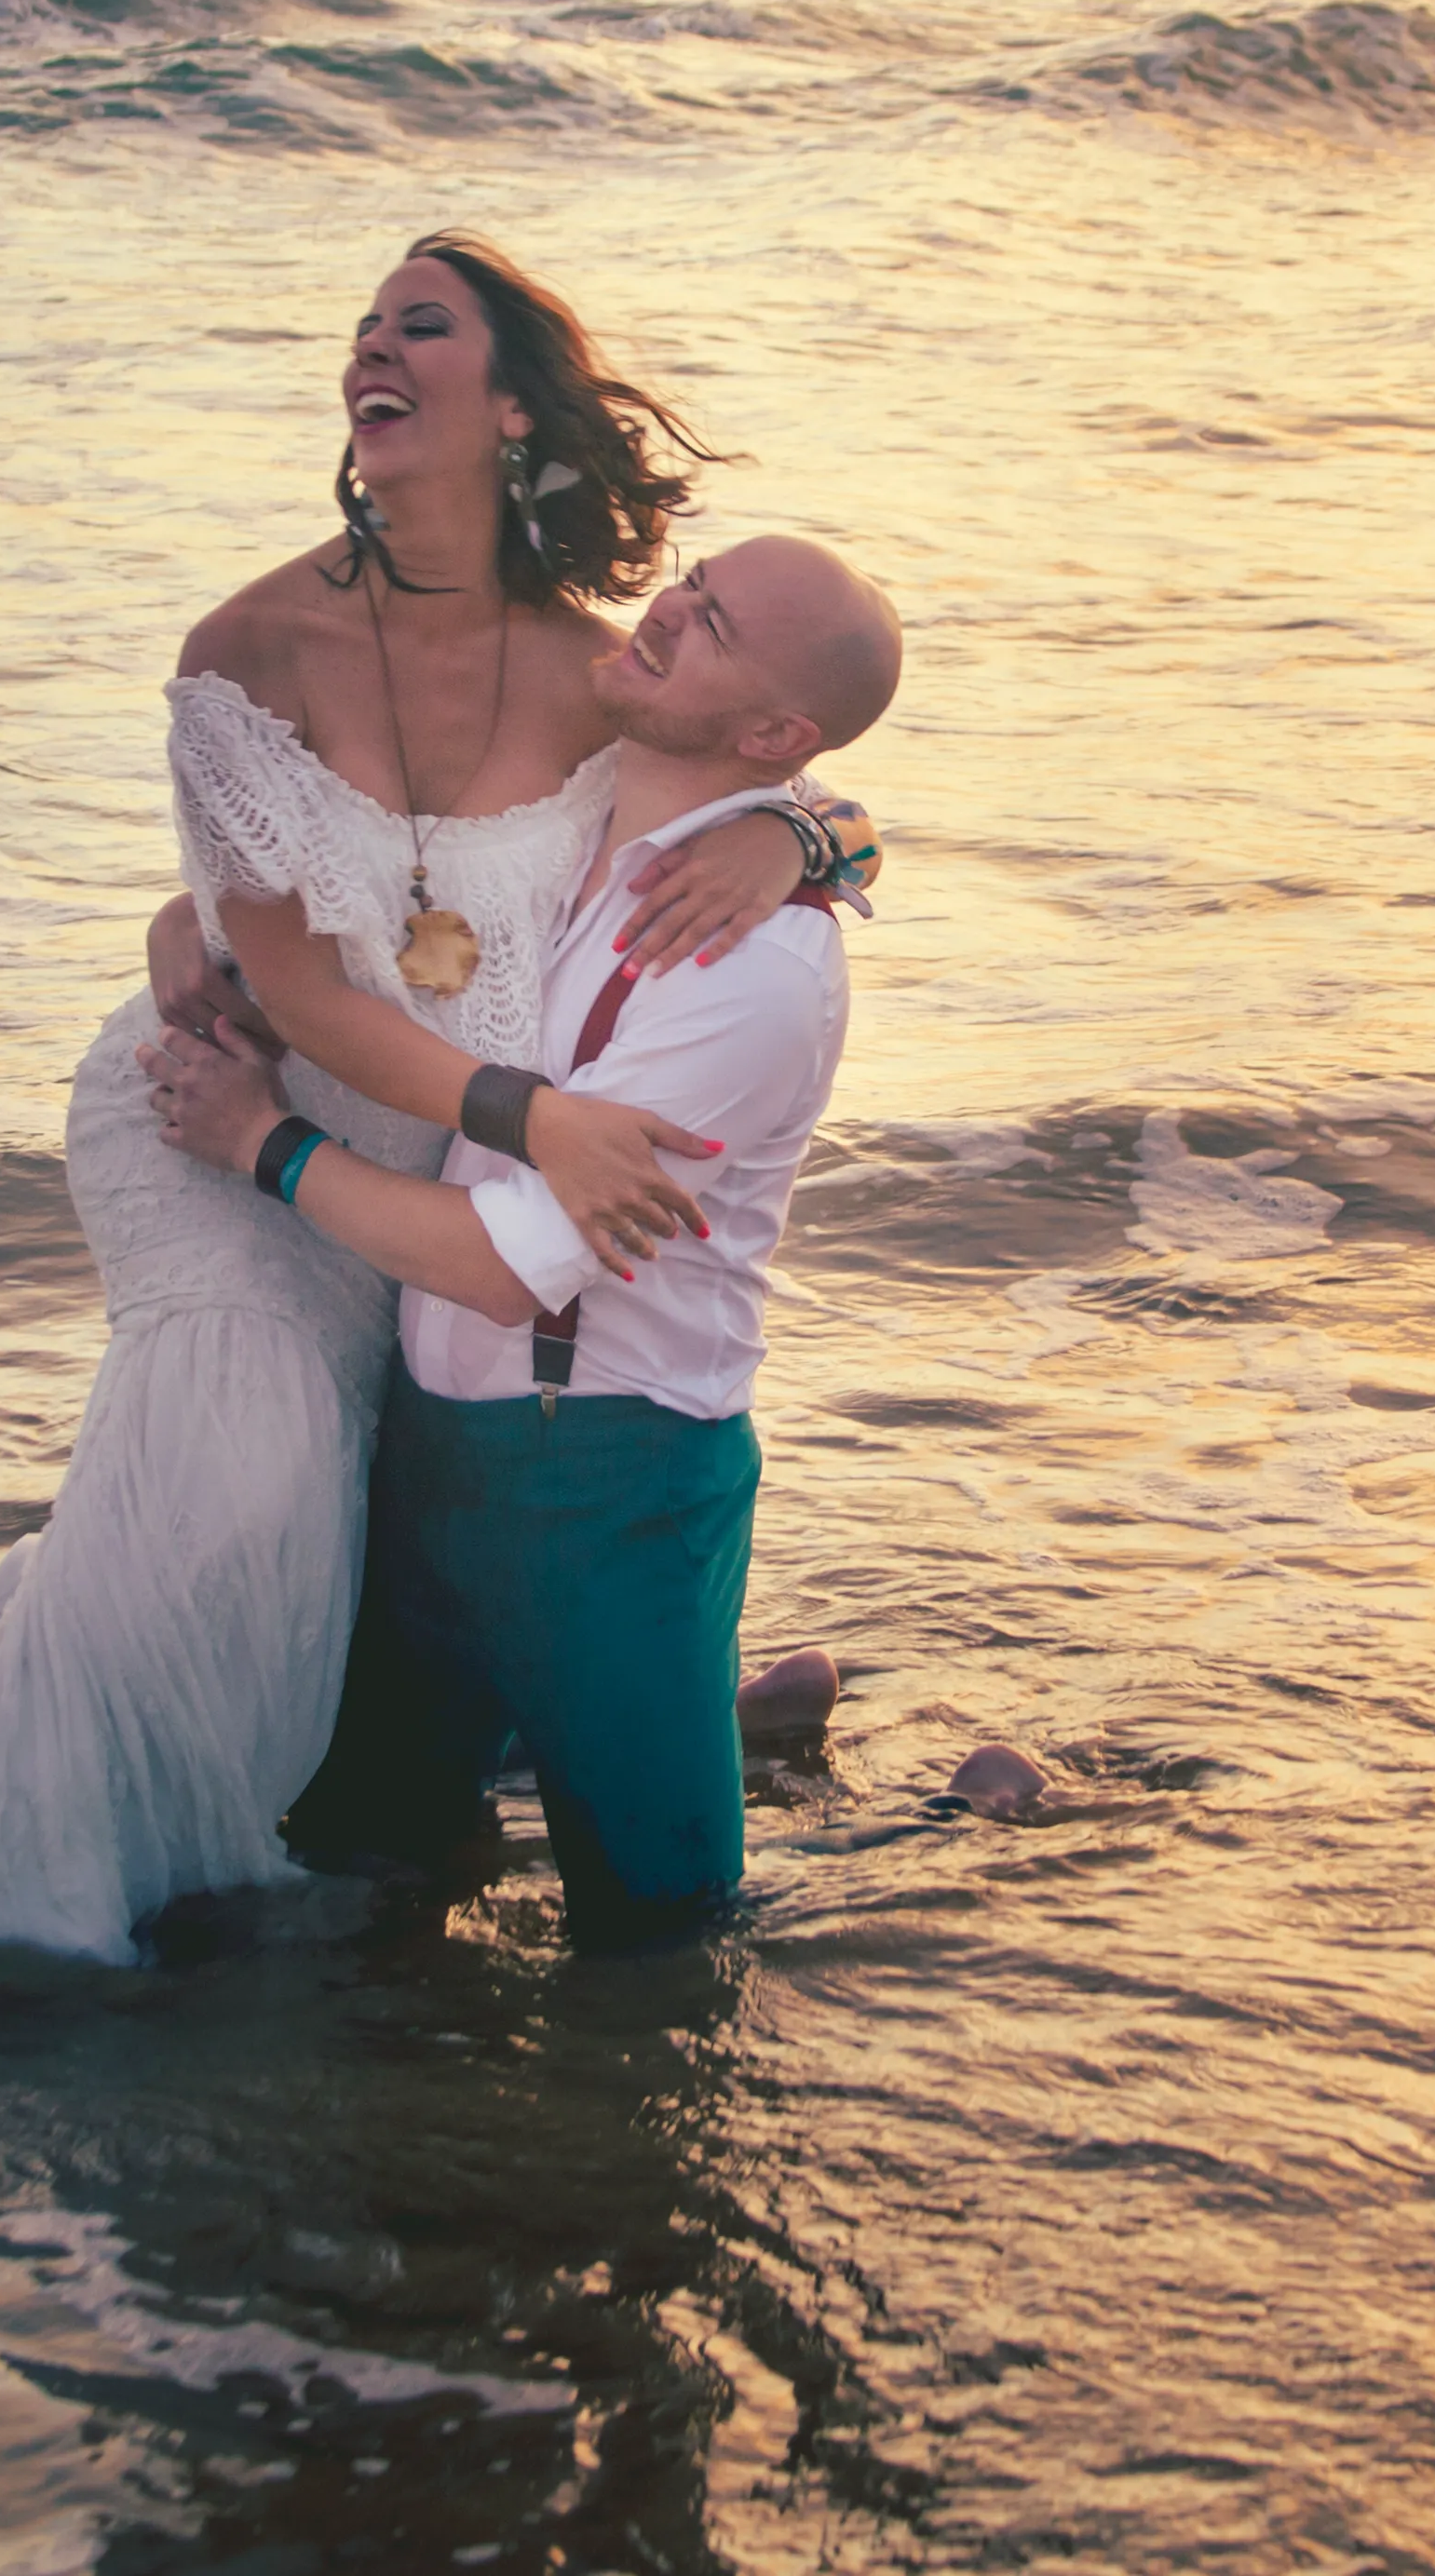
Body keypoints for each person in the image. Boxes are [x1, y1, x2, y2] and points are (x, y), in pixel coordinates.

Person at [0, 236, 863, 1965]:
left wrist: (813, 839)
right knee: (246, 1487)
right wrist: (517, 1116)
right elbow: (306, 987)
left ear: (518, 405)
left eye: (424, 325)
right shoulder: (248, 642)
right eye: (364, 327)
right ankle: (16, 1917)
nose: (372, 351)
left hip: (411, 1181)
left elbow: (768, 752)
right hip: (218, 1114)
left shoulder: (604, 666)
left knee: (307, 1526)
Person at [144, 533, 901, 1949]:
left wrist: (262, 1143)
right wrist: (187, 917)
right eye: (689, 575)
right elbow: (359, 886)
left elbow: (509, 1260)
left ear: (770, 731)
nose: (665, 607)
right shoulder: (583, 801)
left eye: (715, 621)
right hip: (427, 1448)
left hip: (609, 1478)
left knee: (661, 1934)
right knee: (366, 1857)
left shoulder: (753, 969)